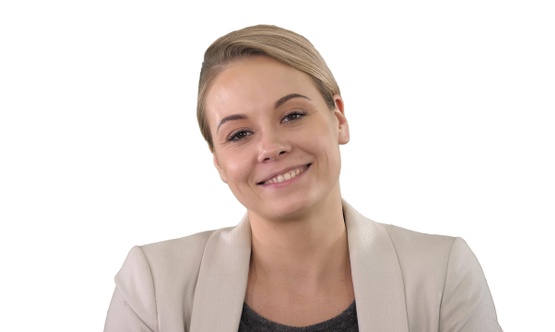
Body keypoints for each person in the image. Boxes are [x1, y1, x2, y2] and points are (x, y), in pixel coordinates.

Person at [104, 24, 502, 331]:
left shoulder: (443, 272)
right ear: (220, 163)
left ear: (339, 119)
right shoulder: (152, 285)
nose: (270, 147)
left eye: (292, 115)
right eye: (239, 134)